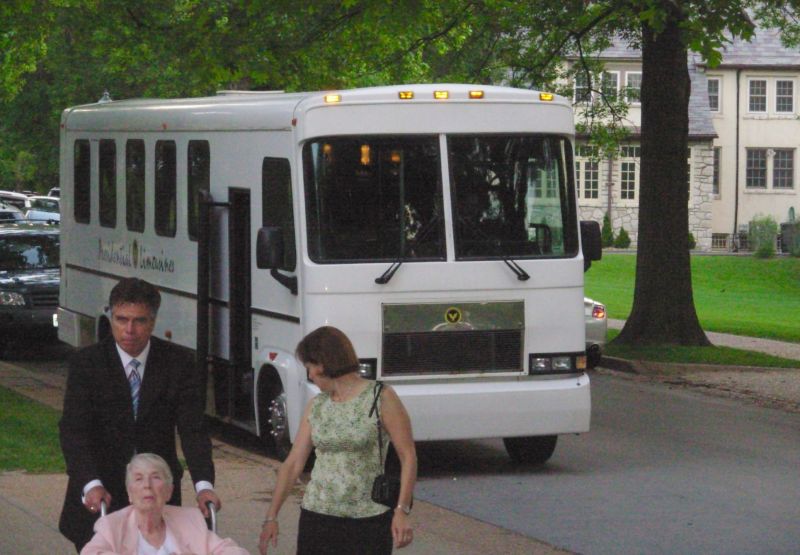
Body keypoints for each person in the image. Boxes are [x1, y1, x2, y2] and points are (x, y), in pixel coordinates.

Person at [59, 277, 221, 552]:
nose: (129, 330)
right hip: (102, 491)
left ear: (153, 321)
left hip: (155, 494)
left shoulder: (177, 363)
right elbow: (74, 430)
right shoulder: (87, 364)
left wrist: (204, 485)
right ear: (111, 317)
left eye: (139, 321)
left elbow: (193, 429)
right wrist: (90, 483)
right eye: (121, 320)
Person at [258, 326, 417, 555]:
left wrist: (402, 510)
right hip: (317, 516)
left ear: (323, 364)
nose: (310, 375)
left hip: (368, 518)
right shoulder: (317, 405)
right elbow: (293, 464)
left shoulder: (381, 397)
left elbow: (408, 456)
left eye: (310, 368)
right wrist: (271, 517)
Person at [81, 453, 248, 555]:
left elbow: (233, 551)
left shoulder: (189, 520)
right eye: (139, 479)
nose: (147, 485)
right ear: (129, 494)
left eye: (156, 477)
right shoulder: (113, 525)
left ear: (169, 491)